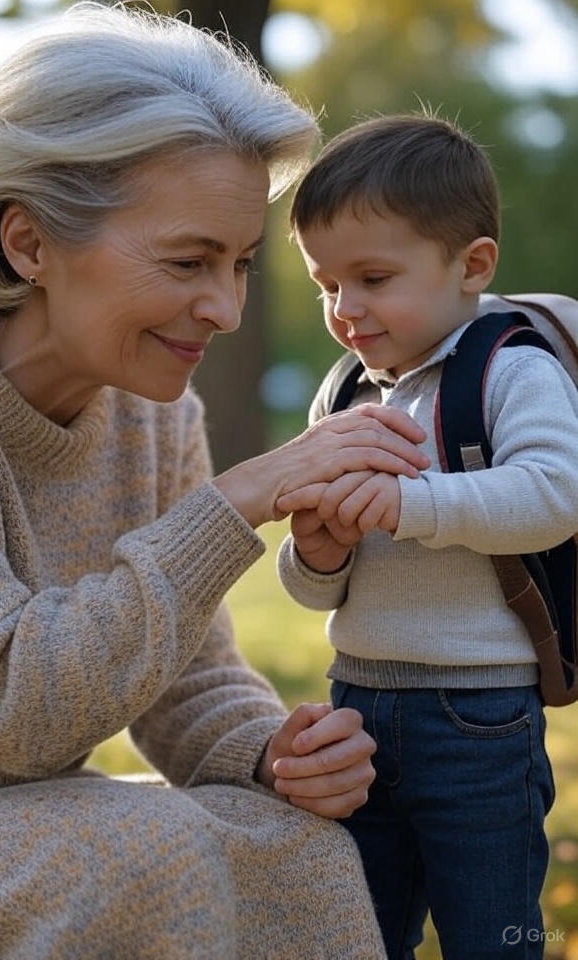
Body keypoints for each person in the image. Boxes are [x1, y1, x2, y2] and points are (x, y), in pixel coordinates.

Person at [0, 7, 439, 959]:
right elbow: (20, 706)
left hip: (16, 820)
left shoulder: (153, 408)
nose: (223, 307)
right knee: (141, 850)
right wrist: (237, 504)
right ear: (29, 244)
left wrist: (270, 749)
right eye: (187, 260)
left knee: (293, 848)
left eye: (242, 263)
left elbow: (184, 677)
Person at [276, 113, 578, 960]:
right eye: (325, 285)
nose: (345, 309)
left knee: (493, 931)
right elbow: (314, 589)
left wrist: (413, 505)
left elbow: (556, 494)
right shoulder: (345, 397)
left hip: (478, 712)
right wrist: (321, 551)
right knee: (360, 932)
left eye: (372, 278)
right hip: (358, 704)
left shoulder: (512, 368)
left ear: (471, 265)